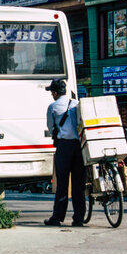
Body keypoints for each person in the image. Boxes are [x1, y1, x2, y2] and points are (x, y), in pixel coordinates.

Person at [44, 79, 85, 227]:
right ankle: (79, 218)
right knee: (78, 183)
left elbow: (50, 128)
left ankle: (58, 217)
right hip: (79, 147)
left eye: (52, 92)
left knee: (62, 183)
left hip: (64, 147)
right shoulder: (76, 104)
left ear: (55, 92)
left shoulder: (53, 107)